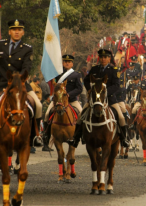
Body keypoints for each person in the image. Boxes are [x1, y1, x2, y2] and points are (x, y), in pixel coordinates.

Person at [68, 49, 130, 148]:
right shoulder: (94, 69)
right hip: (95, 100)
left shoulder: (114, 70)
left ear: (109, 58)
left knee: (121, 116)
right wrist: (89, 89)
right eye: (101, 57)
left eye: (105, 57)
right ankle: (76, 138)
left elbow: (116, 85)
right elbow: (86, 80)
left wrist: (104, 93)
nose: (103, 59)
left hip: (109, 99)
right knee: (81, 114)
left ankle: (124, 139)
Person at [0, 19, 42, 152]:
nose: (16, 32)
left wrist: (19, 82)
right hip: (1, 84)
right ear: (9, 31)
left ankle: (36, 136)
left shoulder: (27, 49)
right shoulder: (1, 45)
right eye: (14, 29)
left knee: (39, 106)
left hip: (20, 85)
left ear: (23, 32)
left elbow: (26, 68)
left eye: (19, 30)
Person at [43, 54, 83, 151]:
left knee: (82, 114)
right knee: (47, 114)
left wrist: (69, 94)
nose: (67, 63)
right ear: (63, 63)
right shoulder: (57, 74)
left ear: (72, 64)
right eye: (65, 61)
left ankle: (81, 136)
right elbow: (54, 85)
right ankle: (45, 139)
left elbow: (79, 88)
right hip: (58, 100)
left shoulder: (77, 75)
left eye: (69, 62)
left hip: (72, 100)